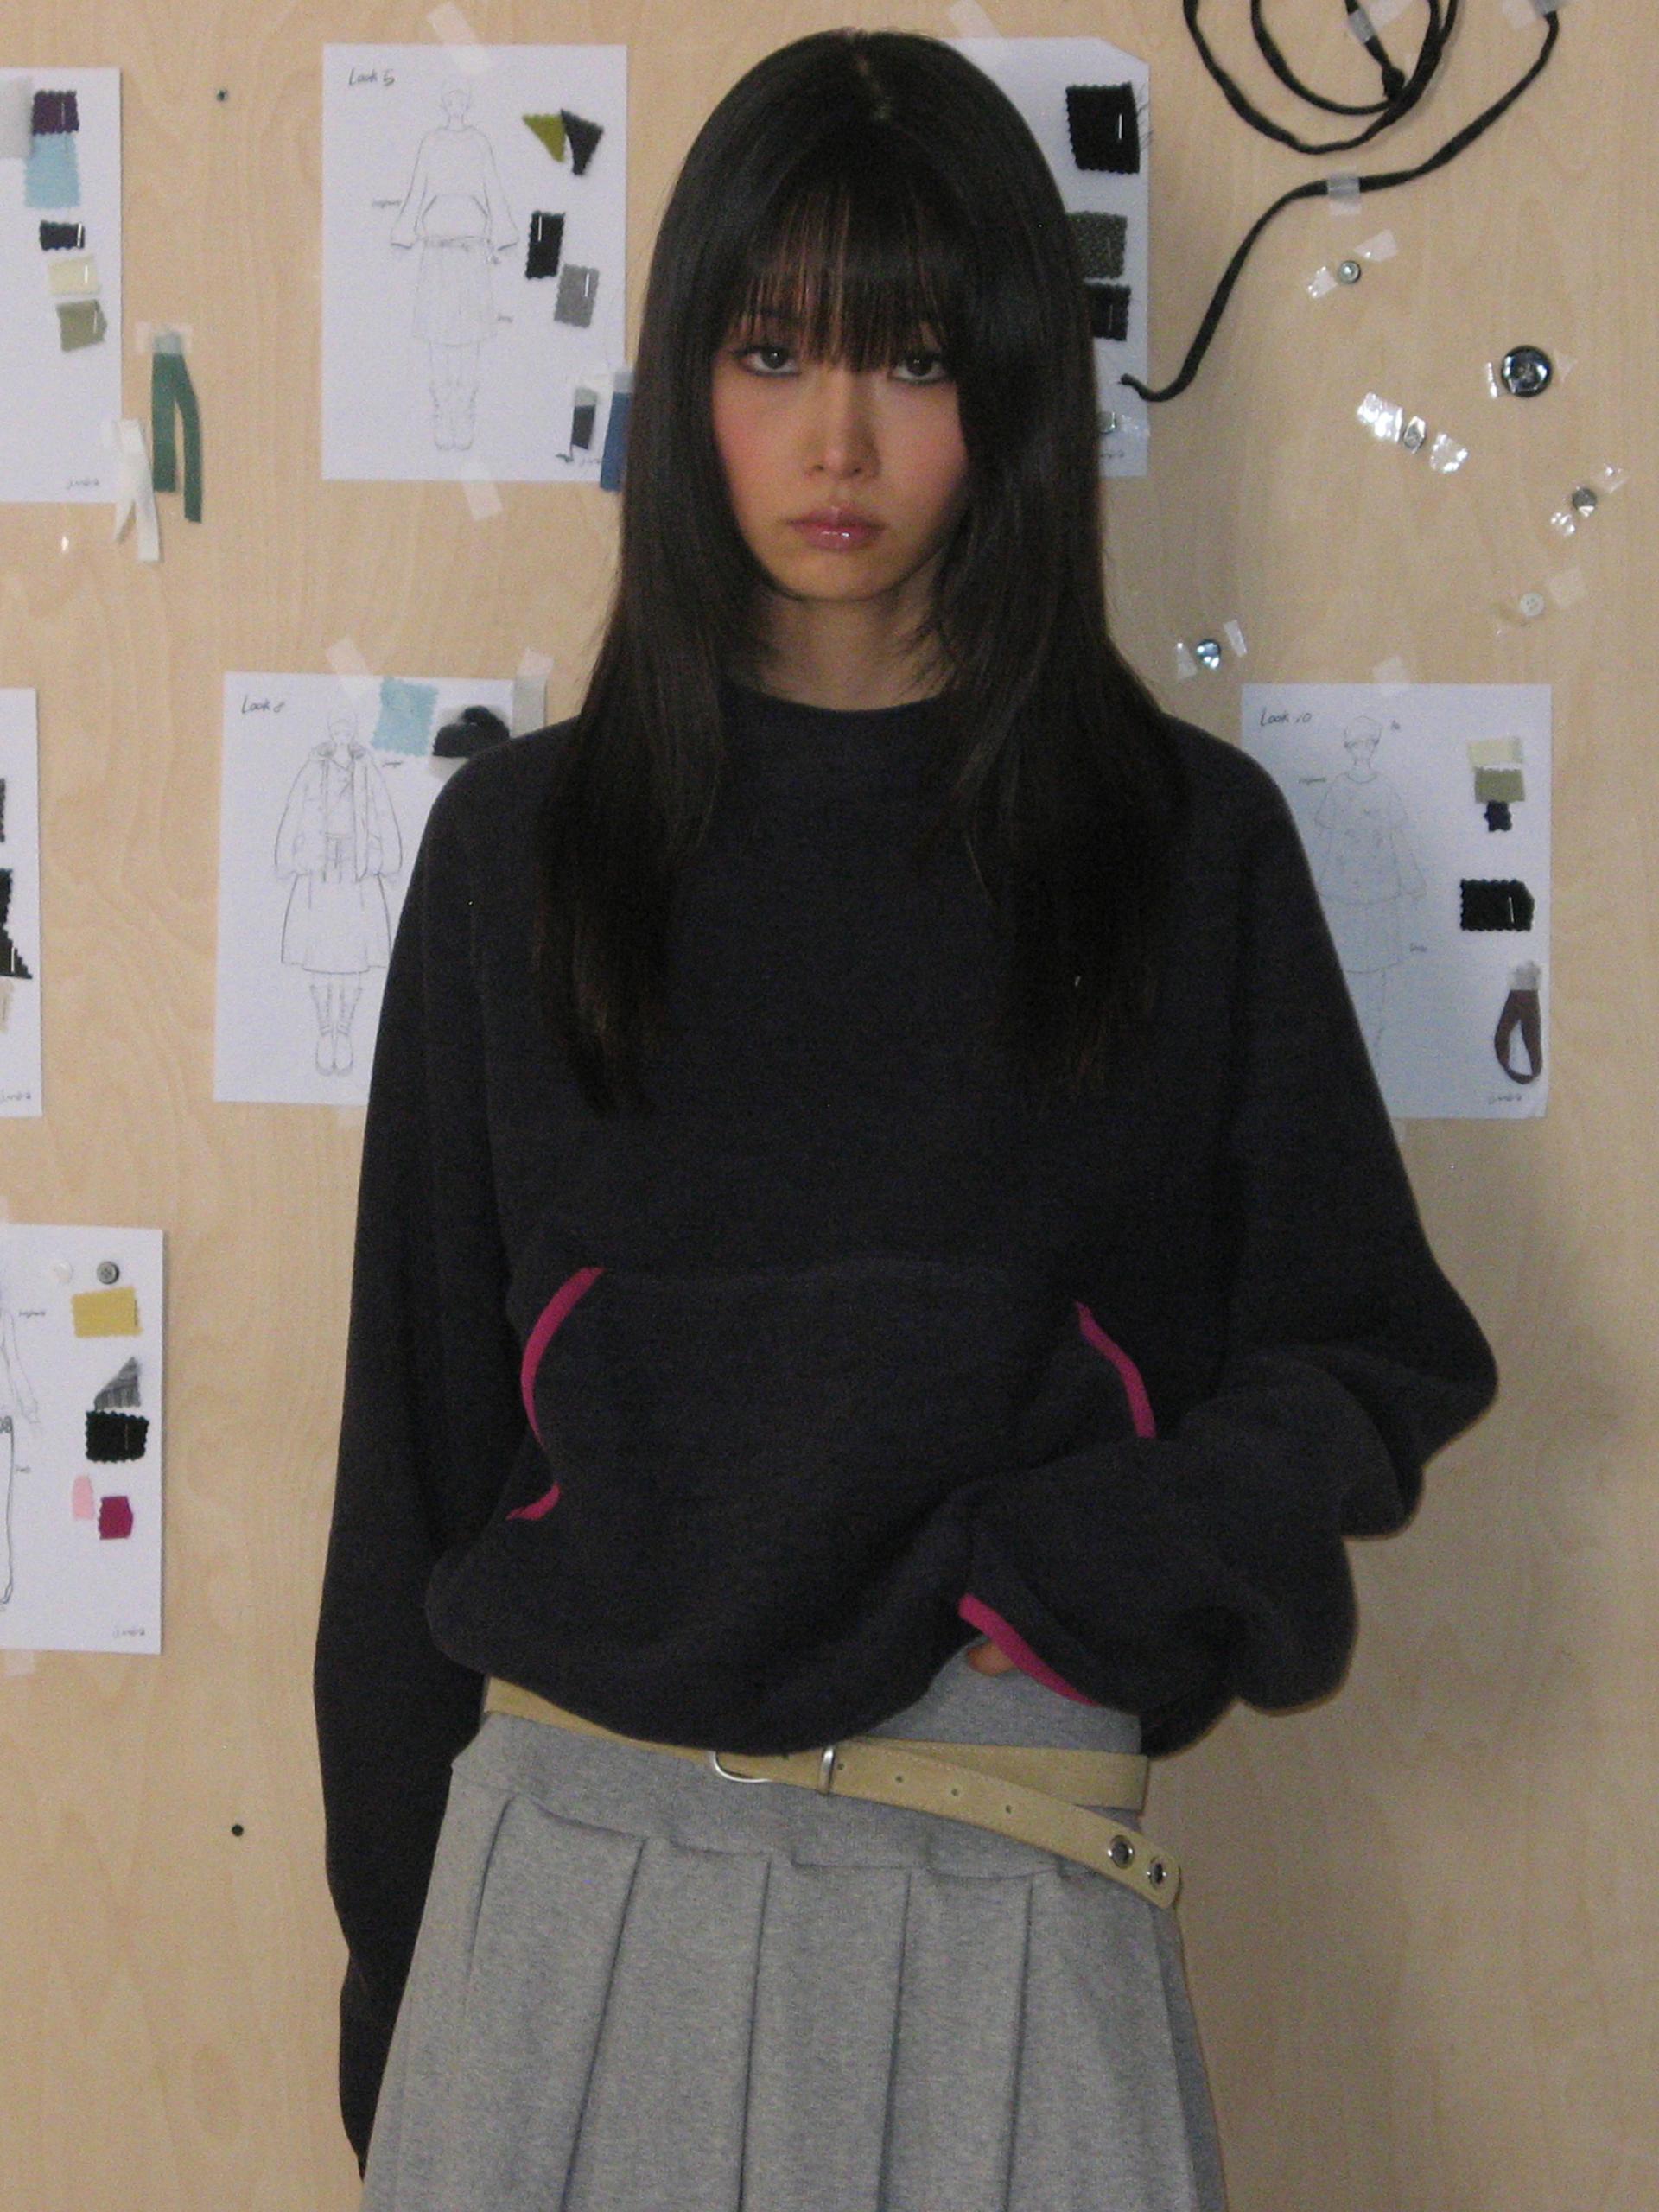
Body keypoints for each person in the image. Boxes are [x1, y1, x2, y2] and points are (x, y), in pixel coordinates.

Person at [313, 29, 1498, 2209]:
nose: (835, 436)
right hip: (563, 1902)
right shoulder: (524, 856)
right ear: (686, 379)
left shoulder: (1181, 851)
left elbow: (1371, 1347)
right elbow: (411, 1472)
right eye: (771, 351)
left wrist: (1077, 1577)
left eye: (915, 358)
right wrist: (405, 2000)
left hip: (1004, 1878)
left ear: (1016, 394)